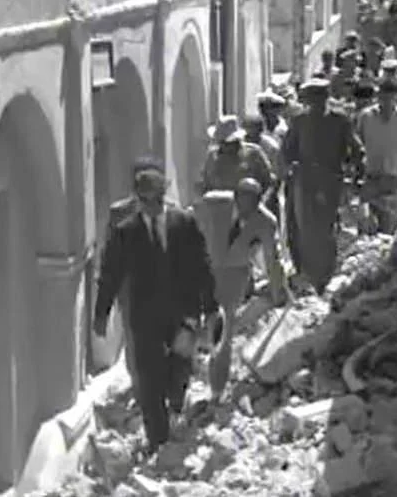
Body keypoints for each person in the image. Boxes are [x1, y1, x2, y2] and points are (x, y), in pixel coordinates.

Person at [93, 159, 220, 456]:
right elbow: (110, 274)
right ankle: (158, 440)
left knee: (180, 368)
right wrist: (101, 313)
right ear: (138, 200)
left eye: (157, 200)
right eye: (146, 201)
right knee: (149, 378)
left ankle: (176, 402)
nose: (153, 207)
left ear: (164, 196)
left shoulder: (184, 223)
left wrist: (211, 307)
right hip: (145, 317)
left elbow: (202, 265)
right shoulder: (126, 232)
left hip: (183, 312)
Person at [194, 178, 283, 400]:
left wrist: (277, 291)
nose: (247, 209)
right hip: (203, 269)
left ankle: (216, 389)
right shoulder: (213, 203)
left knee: (225, 331)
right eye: (243, 201)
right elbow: (189, 222)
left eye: (253, 202)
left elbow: (272, 259)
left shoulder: (265, 222)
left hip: (233, 277)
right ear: (235, 197)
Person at [95, 157, 180, 388]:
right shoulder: (119, 214)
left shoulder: (173, 212)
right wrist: (103, 310)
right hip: (132, 290)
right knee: (134, 342)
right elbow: (111, 261)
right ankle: (140, 387)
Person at [283, 78, 366, 292]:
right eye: (311, 99)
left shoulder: (340, 121)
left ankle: (324, 276)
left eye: (319, 98)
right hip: (305, 181)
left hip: (330, 181)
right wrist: (290, 168)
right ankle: (307, 274)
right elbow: (287, 151)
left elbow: (357, 149)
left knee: (326, 229)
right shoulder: (300, 122)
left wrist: (355, 172)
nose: (315, 104)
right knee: (304, 229)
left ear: (326, 98)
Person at [355, 78, 397, 234]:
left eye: (390, 97)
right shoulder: (366, 117)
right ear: (378, 95)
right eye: (382, 96)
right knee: (367, 232)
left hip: (393, 180)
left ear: (396, 97)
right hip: (370, 179)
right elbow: (356, 143)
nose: (385, 101)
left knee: (389, 232)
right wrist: (357, 166)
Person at [199, 115, 275, 197]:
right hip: (218, 202)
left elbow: (269, 181)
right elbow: (204, 183)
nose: (224, 146)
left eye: (227, 143)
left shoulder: (253, 153)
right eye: (221, 142)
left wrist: (260, 199)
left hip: (246, 202)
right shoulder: (212, 156)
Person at [242, 113, 285, 218]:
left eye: (254, 128)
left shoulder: (271, 147)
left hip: (266, 193)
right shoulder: (240, 144)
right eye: (248, 127)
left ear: (261, 129)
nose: (251, 132)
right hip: (244, 196)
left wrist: (268, 196)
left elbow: (277, 174)